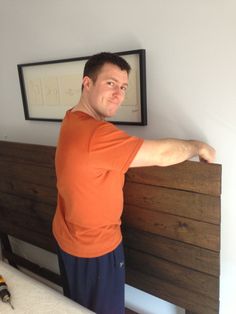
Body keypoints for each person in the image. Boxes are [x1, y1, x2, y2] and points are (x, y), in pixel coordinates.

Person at [52, 52, 215, 314]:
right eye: (110, 83)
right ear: (87, 83)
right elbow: (162, 155)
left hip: (69, 240)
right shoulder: (95, 134)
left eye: (123, 87)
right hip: (95, 250)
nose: (119, 93)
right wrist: (199, 147)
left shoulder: (72, 118)